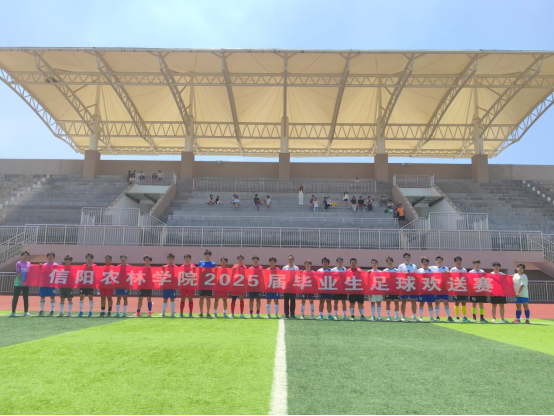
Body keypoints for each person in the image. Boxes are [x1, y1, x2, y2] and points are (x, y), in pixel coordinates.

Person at [431, 256, 454, 322]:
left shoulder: (445, 268)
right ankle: (437, 317)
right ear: (436, 261)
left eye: (440, 260)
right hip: (436, 287)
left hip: (444, 287)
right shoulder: (432, 268)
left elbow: (449, 276)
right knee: (437, 302)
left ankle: (449, 317)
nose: (439, 261)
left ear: (442, 261)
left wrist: (448, 273)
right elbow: (425, 269)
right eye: (438, 260)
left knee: (446, 302)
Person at [10, 251, 32, 318]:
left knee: (25, 298)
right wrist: (20, 281)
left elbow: (31, 273)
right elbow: (18, 272)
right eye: (23, 255)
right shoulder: (18, 263)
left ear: (28, 256)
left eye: (26, 255)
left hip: (26, 284)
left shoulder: (29, 264)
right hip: (18, 284)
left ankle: (26, 312)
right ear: (21, 256)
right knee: (15, 297)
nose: (25, 256)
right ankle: (13, 312)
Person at [398, 253, 418, 322]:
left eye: (408, 257)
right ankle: (403, 316)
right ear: (403, 258)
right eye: (406, 257)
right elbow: (398, 275)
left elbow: (417, 275)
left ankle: (414, 316)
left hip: (412, 285)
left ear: (410, 258)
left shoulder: (414, 266)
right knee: (404, 301)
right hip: (404, 285)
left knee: (413, 301)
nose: (407, 258)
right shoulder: (401, 266)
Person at [451, 256, 470, 323]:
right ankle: (457, 317)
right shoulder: (453, 269)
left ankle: (464, 317)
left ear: (461, 261)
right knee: (457, 302)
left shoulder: (464, 270)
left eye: (459, 261)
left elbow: (466, 278)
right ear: (455, 262)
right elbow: (450, 277)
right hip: (456, 288)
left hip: (463, 288)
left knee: (464, 302)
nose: (458, 262)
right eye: (457, 261)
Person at [39, 252, 57, 317]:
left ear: (54, 257)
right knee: (42, 296)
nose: (50, 257)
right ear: (47, 257)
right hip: (44, 283)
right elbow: (41, 273)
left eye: (51, 256)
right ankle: (42, 310)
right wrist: (40, 267)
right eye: (49, 256)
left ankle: (52, 310)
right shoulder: (44, 265)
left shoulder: (56, 265)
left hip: (52, 283)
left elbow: (58, 273)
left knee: (52, 296)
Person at [198, 250, 216, 318]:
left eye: (208, 255)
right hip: (202, 282)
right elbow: (198, 272)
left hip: (209, 283)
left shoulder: (213, 264)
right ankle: (201, 312)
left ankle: (208, 312)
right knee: (201, 297)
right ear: (204, 256)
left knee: (208, 297)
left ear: (210, 256)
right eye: (206, 255)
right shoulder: (201, 262)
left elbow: (214, 273)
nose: (207, 256)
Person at [418, 257, 436, 322]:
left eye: (426, 262)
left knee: (430, 303)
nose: (425, 263)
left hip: (429, 290)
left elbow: (434, 279)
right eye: (424, 262)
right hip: (422, 290)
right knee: (421, 303)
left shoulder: (431, 271)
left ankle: (431, 317)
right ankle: (420, 317)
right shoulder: (419, 270)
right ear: (422, 263)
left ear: (428, 263)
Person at [159, 254, 177, 318]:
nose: (170, 260)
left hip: (172, 286)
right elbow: (162, 275)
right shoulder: (164, 267)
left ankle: (172, 313)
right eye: (169, 259)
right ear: (167, 259)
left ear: (173, 259)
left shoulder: (176, 267)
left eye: (171, 259)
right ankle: (163, 313)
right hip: (166, 285)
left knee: (172, 299)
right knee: (165, 299)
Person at [78, 253, 96, 318]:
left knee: (90, 297)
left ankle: (90, 311)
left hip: (90, 284)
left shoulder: (95, 266)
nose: (89, 259)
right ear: (86, 259)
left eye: (90, 258)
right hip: (83, 284)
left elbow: (97, 273)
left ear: (92, 259)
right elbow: (79, 274)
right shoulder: (83, 266)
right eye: (87, 258)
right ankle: (81, 311)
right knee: (81, 297)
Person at [383, 257, 400, 322]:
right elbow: (383, 280)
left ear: (392, 262)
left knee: (396, 302)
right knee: (388, 302)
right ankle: (389, 316)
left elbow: (400, 279)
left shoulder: (397, 270)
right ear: (386, 262)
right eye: (388, 261)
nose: (389, 262)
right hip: (388, 289)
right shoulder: (384, 271)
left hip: (395, 289)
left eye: (390, 261)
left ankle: (396, 316)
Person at [179, 254, 195, 318]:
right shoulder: (181, 266)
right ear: (184, 259)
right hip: (183, 285)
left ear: (190, 259)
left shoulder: (193, 266)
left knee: (190, 298)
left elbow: (195, 274)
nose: (187, 259)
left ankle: (190, 313)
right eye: (186, 258)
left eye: (188, 258)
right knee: (183, 298)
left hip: (190, 284)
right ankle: (181, 313)